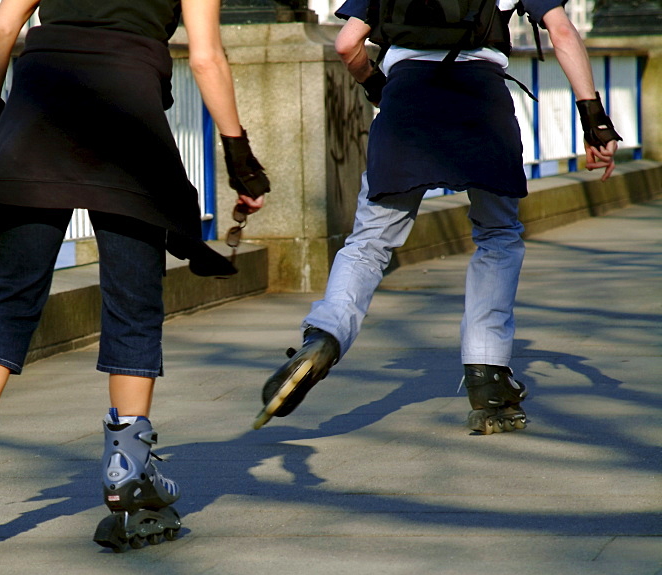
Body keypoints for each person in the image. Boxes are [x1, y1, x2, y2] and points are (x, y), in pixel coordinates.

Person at [0, 0, 270, 550]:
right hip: (128, 131)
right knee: (133, 305)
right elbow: (205, 59)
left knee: (10, 298)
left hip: (35, 118)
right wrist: (239, 155)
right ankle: (126, 466)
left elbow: (3, 29)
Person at [254, 0, 620, 433]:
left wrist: (376, 85)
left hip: (408, 101)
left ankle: (324, 338)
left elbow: (347, 44)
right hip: (481, 105)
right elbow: (561, 31)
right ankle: (488, 377)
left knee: (370, 243)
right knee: (498, 236)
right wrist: (593, 118)